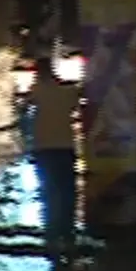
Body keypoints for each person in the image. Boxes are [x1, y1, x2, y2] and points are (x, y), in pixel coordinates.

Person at [28, 56, 80, 255]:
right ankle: (67, 235)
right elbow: (76, 102)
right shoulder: (67, 93)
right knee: (68, 193)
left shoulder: (37, 91)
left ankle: (51, 235)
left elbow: (28, 103)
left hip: (44, 149)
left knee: (49, 193)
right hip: (65, 148)